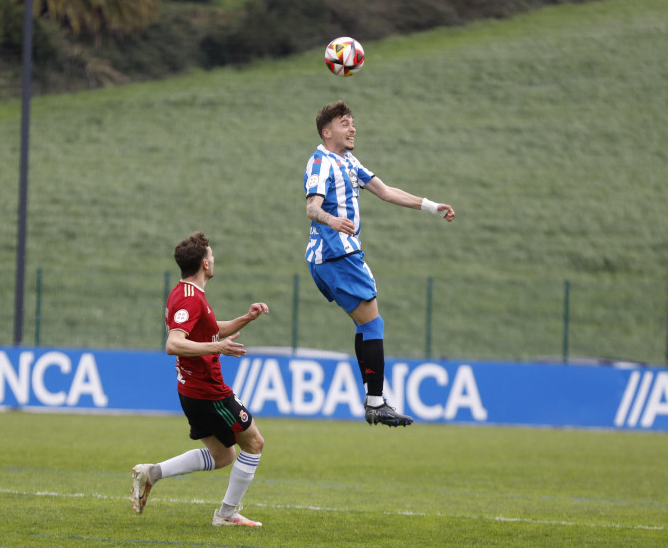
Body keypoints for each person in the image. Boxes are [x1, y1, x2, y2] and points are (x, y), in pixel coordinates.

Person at [304, 101, 455, 427]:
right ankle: (376, 402)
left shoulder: (348, 161)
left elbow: (385, 192)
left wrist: (431, 206)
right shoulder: (321, 162)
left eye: (353, 122)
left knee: (368, 325)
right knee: (373, 326)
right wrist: (332, 220)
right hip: (337, 254)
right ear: (327, 132)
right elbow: (312, 208)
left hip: (331, 258)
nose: (353, 128)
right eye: (345, 123)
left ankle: (375, 401)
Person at [130, 231, 270, 526]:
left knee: (222, 456)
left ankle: (152, 473)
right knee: (254, 444)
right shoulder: (190, 300)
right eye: (212, 255)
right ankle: (226, 514)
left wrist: (246, 318)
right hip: (209, 392)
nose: (214, 258)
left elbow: (209, 329)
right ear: (205, 264)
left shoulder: (185, 294)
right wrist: (217, 347)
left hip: (192, 390)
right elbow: (174, 343)